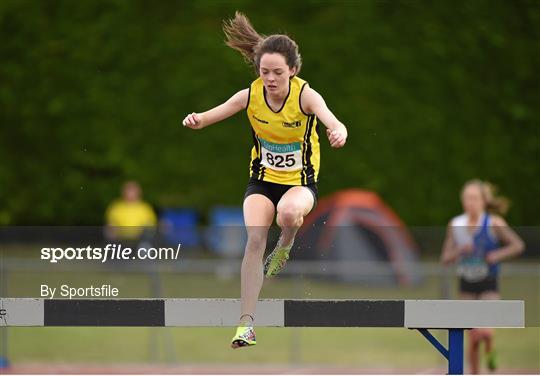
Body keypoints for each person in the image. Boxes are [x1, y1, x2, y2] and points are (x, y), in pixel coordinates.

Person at [182, 11, 347, 349]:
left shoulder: (305, 97)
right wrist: (196, 120)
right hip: (261, 182)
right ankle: (246, 324)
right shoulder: (250, 95)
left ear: (293, 71)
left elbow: (333, 120)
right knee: (255, 241)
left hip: (300, 185)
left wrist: (338, 130)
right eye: (264, 72)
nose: (270, 79)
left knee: (288, 214)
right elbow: (212, 114)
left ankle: (285, 246)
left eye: (277, 73)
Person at [440, 179, 524, 374]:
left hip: (489, 284)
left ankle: (490, 346)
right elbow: (445, 258)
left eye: (475, 198)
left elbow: (517, 245)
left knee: (484, 331)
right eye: (467, 198)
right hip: (466, 285)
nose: (471, 202)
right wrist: (460, 250)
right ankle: (475, 373)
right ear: (463, 201)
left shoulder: (494, 223)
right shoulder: (456, 224)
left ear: (484, 201)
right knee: (472, 337)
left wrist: (496, 255)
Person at [105, 180, 157, 248]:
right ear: (123, 192)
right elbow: (111, 223)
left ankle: (144, 256)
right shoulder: (115, 207)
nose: (130, 193)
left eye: (133, 191)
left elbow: (151, 224)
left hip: (139, 237)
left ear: (138, 192)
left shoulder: (145, 208)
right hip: (120, 237)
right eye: (128, 190)